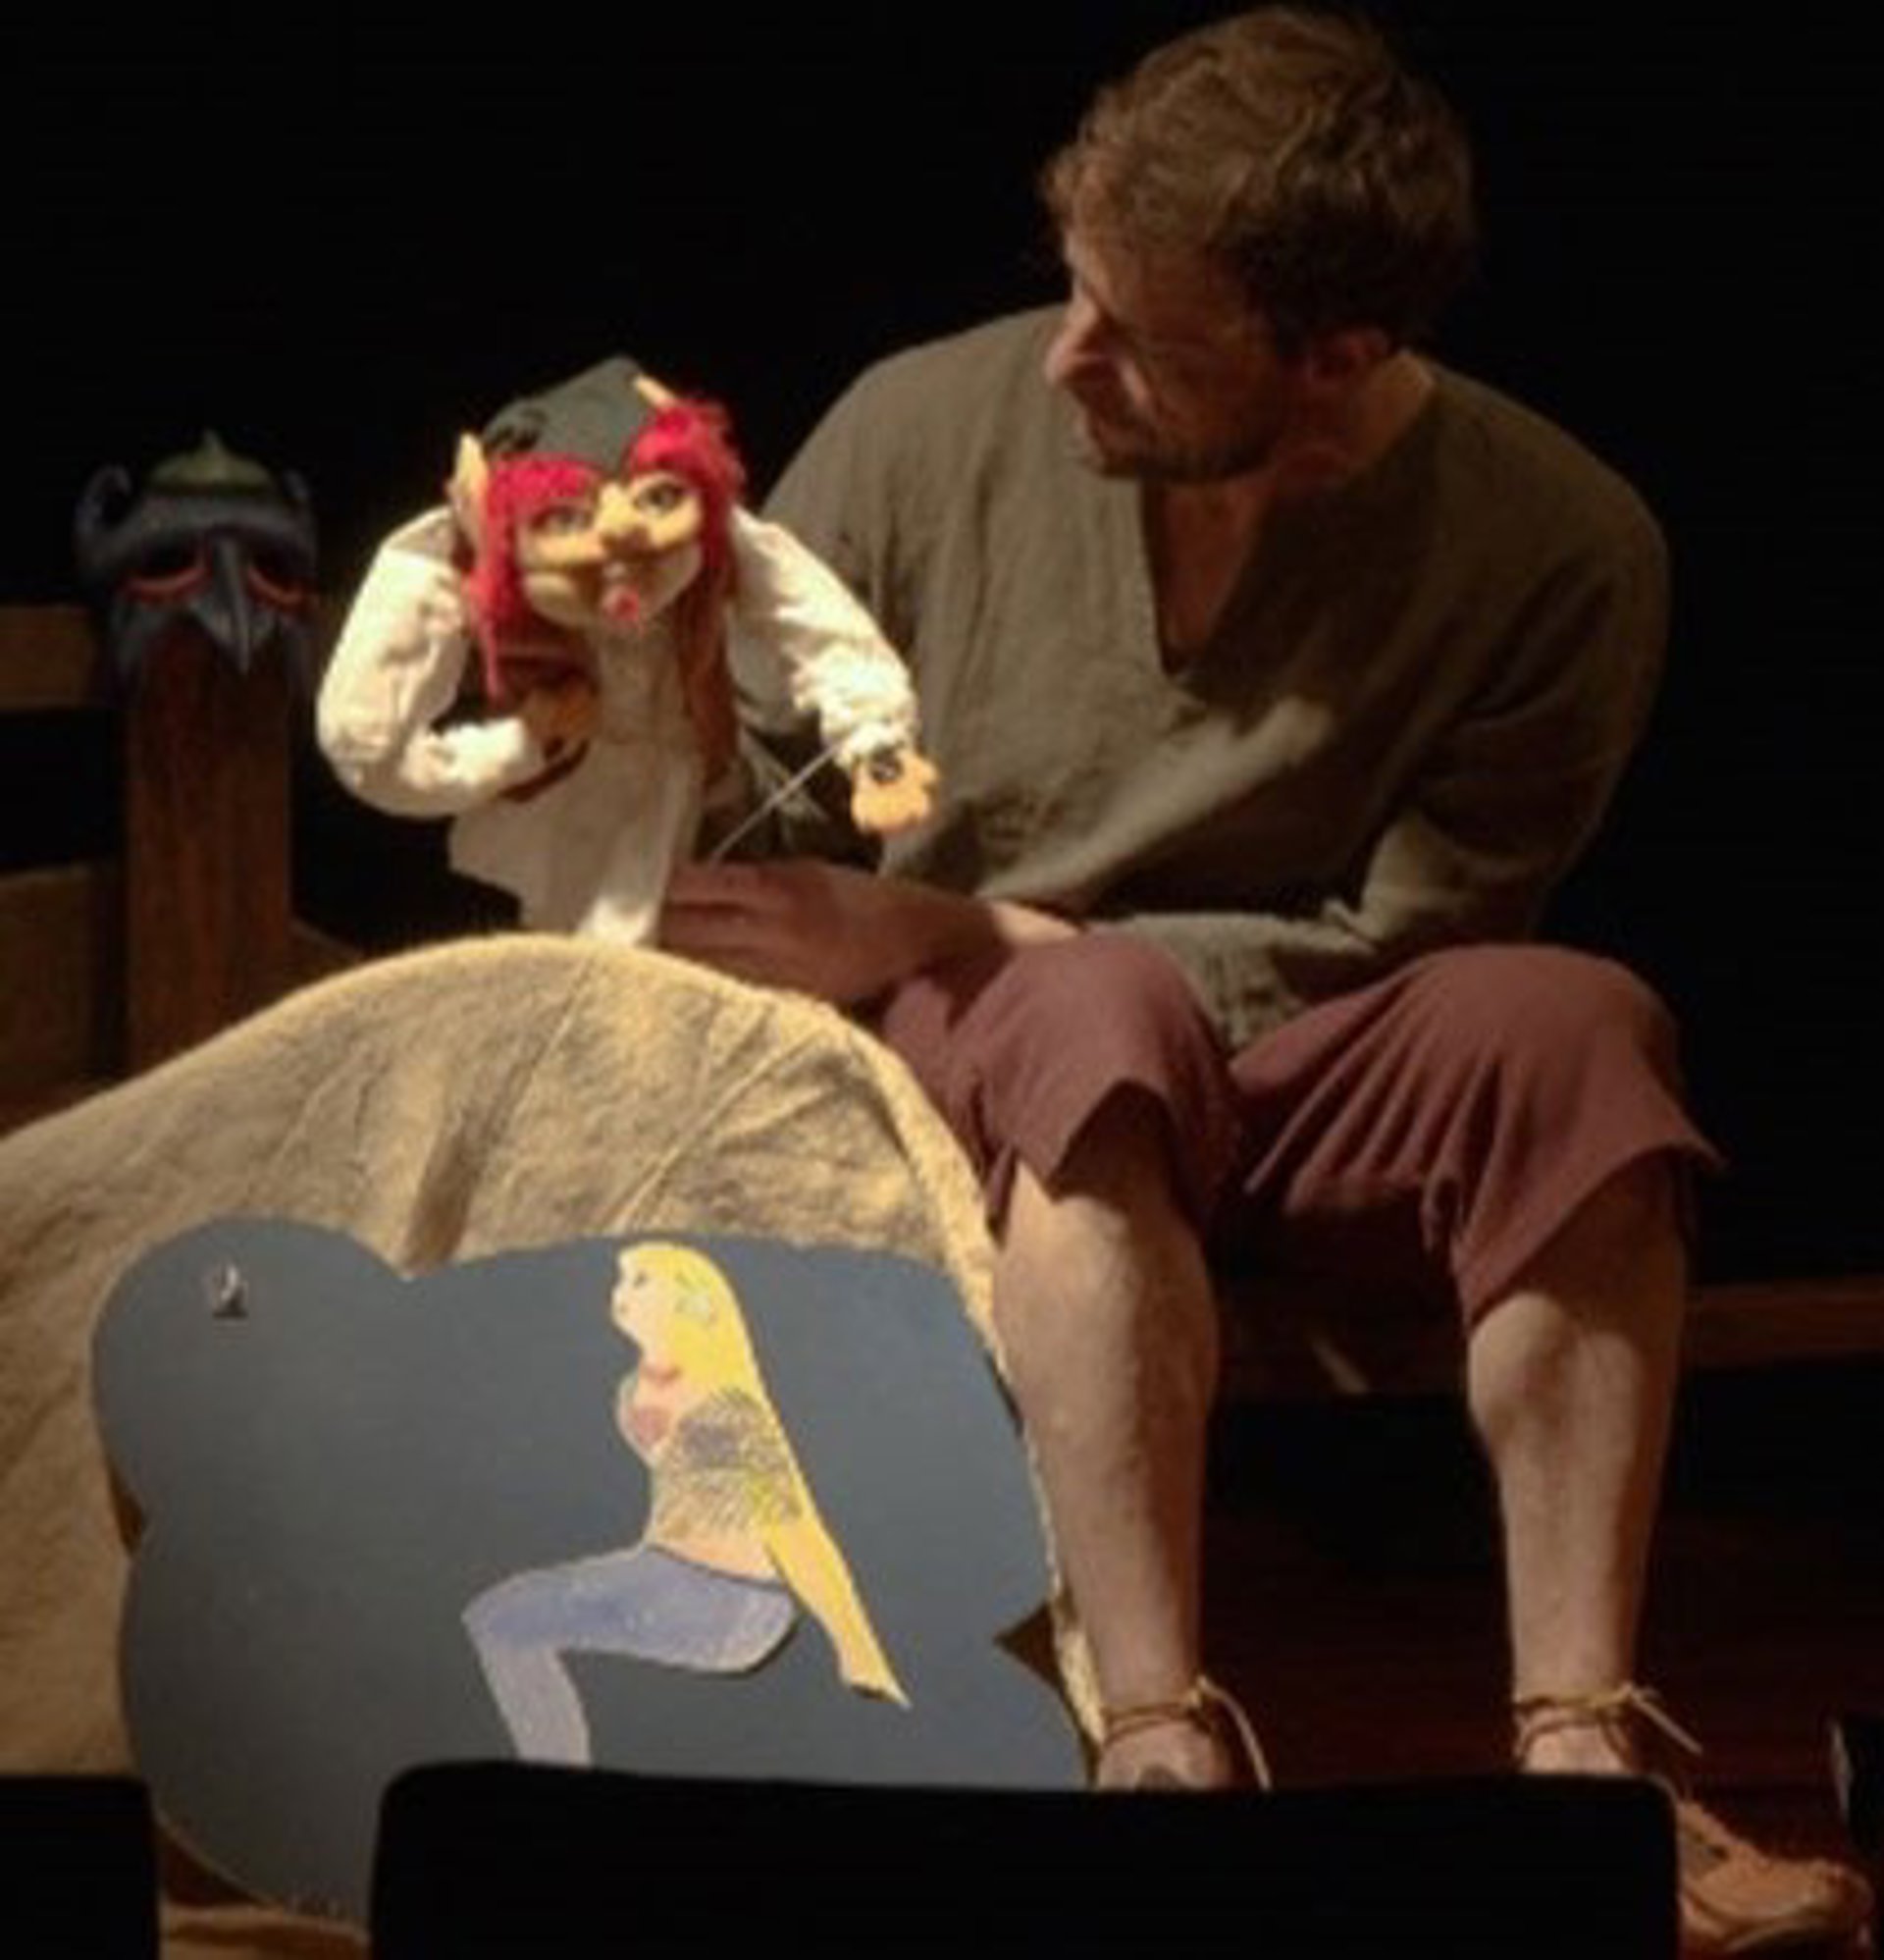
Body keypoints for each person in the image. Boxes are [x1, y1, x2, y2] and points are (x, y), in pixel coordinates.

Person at [658, 8, 1872, 1950]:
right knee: (1095, 1016)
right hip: (982, 1074)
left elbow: (1420, 932)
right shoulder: (919, 427)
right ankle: (1156, 1748)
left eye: (1142, 336)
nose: (1068, 356)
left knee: (1578, 1028)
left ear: (1337, 358)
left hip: (1287, 1050)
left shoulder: (1562, 542)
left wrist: (981, 924)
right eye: (1074, 290)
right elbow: (731, 824)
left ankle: (1589, 1761)